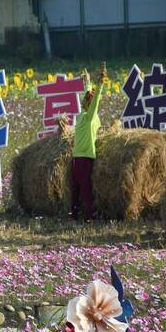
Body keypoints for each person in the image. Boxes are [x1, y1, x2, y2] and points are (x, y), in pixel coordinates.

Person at [70, 62, 107, 221]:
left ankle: (75, 214)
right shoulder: (88, 117)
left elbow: (90, 97)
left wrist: (89, 82)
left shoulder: (84, 117)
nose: (85, 101)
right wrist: (99, 84)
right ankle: (90, 216)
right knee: (85, 189)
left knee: (77, 189)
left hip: (79, 158)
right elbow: (94, 99)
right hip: (84, 159)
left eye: (86, 100)